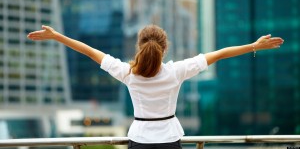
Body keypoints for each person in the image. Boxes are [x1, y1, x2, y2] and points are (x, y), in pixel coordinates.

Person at [27, 25, 284, 149]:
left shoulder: (128, 72)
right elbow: (218, 54)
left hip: (139, 140)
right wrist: (253, 46)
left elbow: (90, 52)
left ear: (140, 46)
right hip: (170, 140)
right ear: (165, 47)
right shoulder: (176, 71)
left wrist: (56, 36)